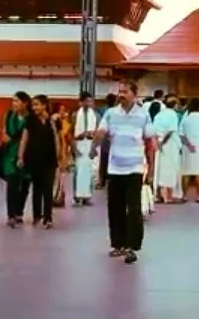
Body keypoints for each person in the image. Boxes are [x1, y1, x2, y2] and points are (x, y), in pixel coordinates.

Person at [92, 80, 154, 265]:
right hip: (115, 168)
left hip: (135, 168)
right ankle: (117, 244)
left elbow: (150, 143)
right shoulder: (111, 114)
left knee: (134, 209)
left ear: (134, 95)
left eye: (125, 92)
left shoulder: (143, 115)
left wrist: (150, 169)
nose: (121, 95)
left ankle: (132, 247)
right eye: (120, 92)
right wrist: (94, 145)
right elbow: (101, 132)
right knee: (115, 207)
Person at [17, 94, 60, 229]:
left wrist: (59, 156)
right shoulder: (29, 120)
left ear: (44, 105)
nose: (34, 107)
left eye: (37, 104)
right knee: (37, 188)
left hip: (49, 159)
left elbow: (57, 138)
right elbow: (24, 139)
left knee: (48, 189)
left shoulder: (53, 121)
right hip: (33, 158)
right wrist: (20, 157)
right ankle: (37, 215)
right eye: (33, 105)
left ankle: (48, 217)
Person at [0, 91, 31, 228]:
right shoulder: (9, 115)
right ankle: (10, 214)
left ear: (25, 103)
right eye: (13, 101)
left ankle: (19, 211)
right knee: (12, 183)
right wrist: (4, 136)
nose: (14, 104)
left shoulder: (30, 118)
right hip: (10, 153)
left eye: (17, 101)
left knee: (24, 184)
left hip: (26, 153)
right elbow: (4, 130)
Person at [179, 97, 199, 202]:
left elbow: (181, 134)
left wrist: (189, 145)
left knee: (186, 172)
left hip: (187, 148)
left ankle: (183, 196)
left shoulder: (185, 119)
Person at [153, 95, 182, 203]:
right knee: (170, 168)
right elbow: (170, 131)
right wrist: (163, 142)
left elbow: (154, 130)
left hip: (159, 142)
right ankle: (169, 197)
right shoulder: (173, 115)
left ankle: (159, 194)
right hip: (169, 144)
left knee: (159, 168)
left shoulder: (159, 115)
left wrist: (158, 142)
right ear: (174, 105)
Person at [72, 92, 98, 206]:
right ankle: (77, 196)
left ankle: (87, 196)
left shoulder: (95, 115)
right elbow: (70, 133)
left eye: (90, 101)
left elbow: (97, 132)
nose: (89, 103)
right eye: (87, 101)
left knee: (90, 171)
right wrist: (74, 148)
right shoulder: (75, 115)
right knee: (79, 171)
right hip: (79, 143)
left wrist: (94, 147)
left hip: (90, 143)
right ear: (81, 102)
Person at [52, 103, 73, 208]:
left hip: (61, 150)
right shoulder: (54, 120)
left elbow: (64, 139)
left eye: (64, 110)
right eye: (61, 109)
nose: (63, 112)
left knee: (60, 175)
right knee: (56, 176)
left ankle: (58, 198)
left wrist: (64, 152)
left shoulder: (65, 123)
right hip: (54, 151)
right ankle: (54, 197)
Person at [97, 92, 118, 189]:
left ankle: (102, 181)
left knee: (103, 160)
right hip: (113, 139)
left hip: (105, 138)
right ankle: (112, 180)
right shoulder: (116, 111)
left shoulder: (101, 110)